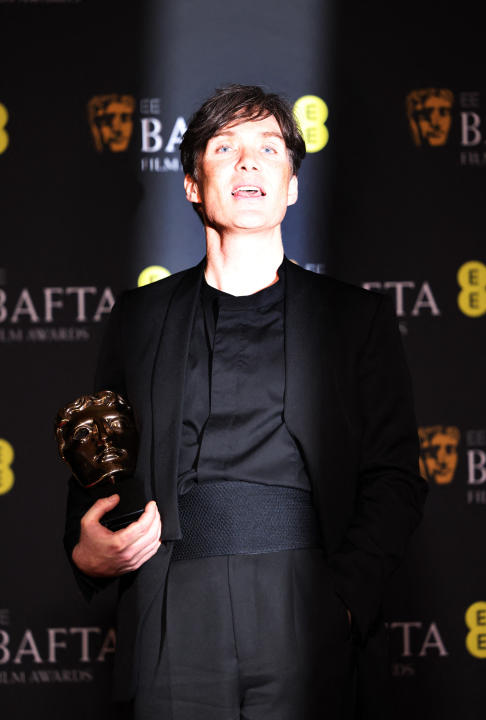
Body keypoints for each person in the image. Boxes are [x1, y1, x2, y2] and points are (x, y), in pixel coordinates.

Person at [64, 84, 427, 719]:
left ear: (292, 186)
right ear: (192, 184)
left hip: (305, 604)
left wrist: (342, 600)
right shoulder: (138, 318)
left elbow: (395, 476)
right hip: (171, 607)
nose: (249, 161)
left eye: (269, 148)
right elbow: (103, 459)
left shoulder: (354, 317)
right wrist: (88, 551)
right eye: (225, 146)